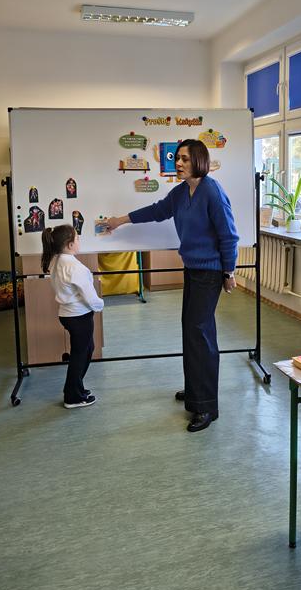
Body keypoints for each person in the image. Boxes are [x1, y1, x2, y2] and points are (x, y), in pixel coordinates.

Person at [106, 139, 239, 433]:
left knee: (200, 334)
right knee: (191, 331)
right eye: (177, 158)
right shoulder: (181, 192)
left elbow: (229, 235)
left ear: (199, 161)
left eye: (184, 159)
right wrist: (121, 220)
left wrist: (229, 271)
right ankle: (195, 391)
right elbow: (156, 211)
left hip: (210, 272)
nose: (178, 163)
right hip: (192, 269)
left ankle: (207, 406)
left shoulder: (212, 191)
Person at [41, 224, 104, 409]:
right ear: (69, 244)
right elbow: (89, 296)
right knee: (80, 355)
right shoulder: (73, 266)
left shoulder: (57, 261)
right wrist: (100, 305)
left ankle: (76, 389)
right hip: (78, 316)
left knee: (87, 349)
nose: (79, 240)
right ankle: (73, 397)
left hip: (70, 315)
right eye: (77, 238)